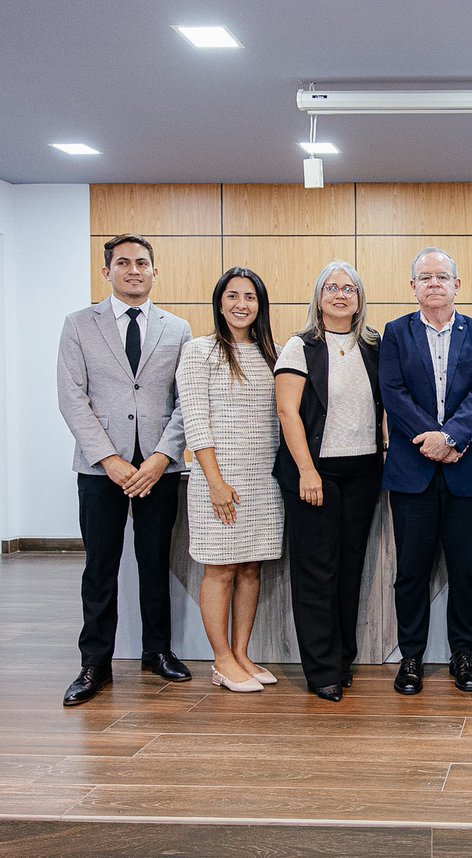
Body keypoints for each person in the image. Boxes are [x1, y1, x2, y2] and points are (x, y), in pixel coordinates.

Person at [57, 234, 193, 706]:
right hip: (100, 471)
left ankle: (158, 651)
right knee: (100, 567)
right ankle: (95, 663)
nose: (133, 270)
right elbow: (72, 398)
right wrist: (110, 459)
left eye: (141, 263)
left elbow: (186, 401)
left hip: (158, 468)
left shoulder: (177, 328)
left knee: (155, 562)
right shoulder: (79, 324)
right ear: (107, 271)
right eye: (123, 263)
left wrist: (161, 457)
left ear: (155, 271)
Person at [380, 248, 472, 696]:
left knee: (466, 572)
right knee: (411, 572)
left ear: (457, 285)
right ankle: (411, 657)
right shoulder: (396, 333)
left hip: (467, 473)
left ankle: (462, 656)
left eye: (442, 276)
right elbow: (393, 393)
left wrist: (450, 438)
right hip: (412, 473)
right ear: (413, 286)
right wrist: (432, 439)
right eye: (425, 277)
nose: (434, 283)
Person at [274, 261, 383, 703]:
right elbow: (288, 412)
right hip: (315, 472)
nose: (341, 295)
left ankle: (342, 660)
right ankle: (321, 671)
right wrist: (306, 470)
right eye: (332, 288)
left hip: (363, 471)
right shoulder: (300, 346)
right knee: (316, 571)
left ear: (359, 299)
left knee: (349, 569)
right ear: (319, 297)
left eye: (349, 289)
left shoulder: (372, 344)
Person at [177, 267, 282, 693]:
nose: (242, 304)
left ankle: (241, 654)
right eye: (233, 296)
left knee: (252, 567)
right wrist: (216, 482)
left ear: (260, 305)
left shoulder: (272, 353)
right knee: (220, 568)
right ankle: (221, 660)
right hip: (217, 479)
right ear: (220, 303)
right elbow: (195, 422)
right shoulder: (199, 351)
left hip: (263, 480)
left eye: (250, 297)